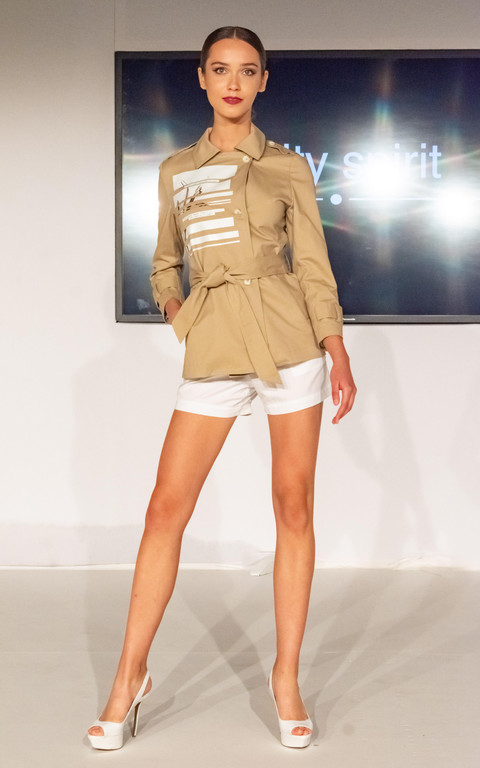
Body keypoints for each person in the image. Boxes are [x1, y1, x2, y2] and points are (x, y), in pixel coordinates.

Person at [87, 25, 356, 751]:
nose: (233, 82)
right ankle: (129, 678)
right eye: (220, 69)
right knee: (164, 509)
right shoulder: (177, 169)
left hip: (290, 346)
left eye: (247, 70)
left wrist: (335, 349)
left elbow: (313, 267)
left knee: (293, 506)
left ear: (263, 80)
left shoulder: (288, 167)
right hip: (214, 349)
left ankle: (286, 677)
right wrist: (185, 320)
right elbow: (162, 264)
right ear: (202, 79)